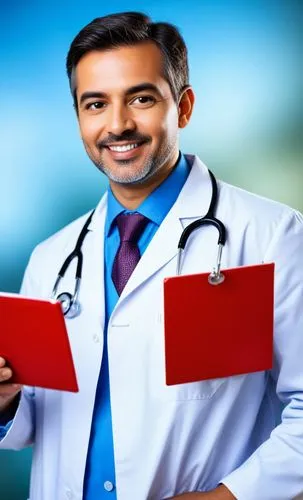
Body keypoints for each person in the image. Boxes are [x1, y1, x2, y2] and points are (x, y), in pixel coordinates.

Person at [0, 11, 302, 500]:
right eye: (95, 104)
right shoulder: (52, 258)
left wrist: (226, 498)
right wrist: (5, 402)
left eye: (140, 98)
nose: (117, 125)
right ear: (78, 117)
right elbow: (39, 418)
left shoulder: (271, 235)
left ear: (182, 108)